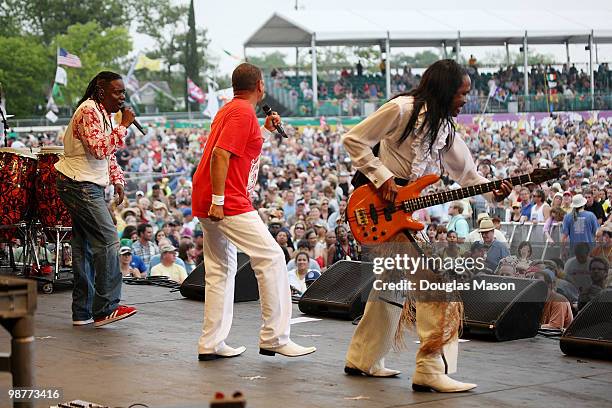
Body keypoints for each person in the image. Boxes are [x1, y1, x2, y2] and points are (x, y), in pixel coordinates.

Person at [342, 59, 511, 392]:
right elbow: (354, 139)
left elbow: (468, 176)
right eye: (461, 93)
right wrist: (383, 178)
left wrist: (495, 191)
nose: (465, 100)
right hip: (375, 206)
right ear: (445, 90)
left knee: (390, 283)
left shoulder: (445, 129)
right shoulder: (402, 110)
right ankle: (430, 367)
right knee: (435, 283)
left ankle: (363, 358)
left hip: (400, 213)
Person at [191, 62, 315, 361]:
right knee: (271, 257)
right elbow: (221, 154)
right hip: (226, 199)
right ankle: (275, 337)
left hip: (209, 195)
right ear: (260, 85)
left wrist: (265, 130)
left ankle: (212, 343)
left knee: (221, 269)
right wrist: (219, 200)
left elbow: (236, 147)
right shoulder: (243, 111)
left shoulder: (230, 109)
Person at [55, 71, 137, 327]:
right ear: (101, 91)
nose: (122, 96)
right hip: (79, 184)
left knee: (86, 248)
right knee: (109, 241)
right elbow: (99, 148)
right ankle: (106, 308)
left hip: (86, 183)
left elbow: (108, 155)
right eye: (117, 91)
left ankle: (82, 312)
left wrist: (118, 179)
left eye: (123, 92)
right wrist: (123, 126)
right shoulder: (89, 110)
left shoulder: (104, 114)